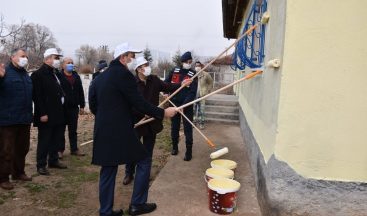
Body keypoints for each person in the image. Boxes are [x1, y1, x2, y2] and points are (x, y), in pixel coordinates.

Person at [89, 42, 177, 216]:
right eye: (131, 56)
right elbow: (139, 102)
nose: (133, 60)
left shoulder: (99, 78)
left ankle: (105, 211)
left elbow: (93, 105)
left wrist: (109, 116)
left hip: (103, 129)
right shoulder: (124, 76)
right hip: (121, 129)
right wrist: (163, 112)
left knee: (108, 168)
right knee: (144, 159)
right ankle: (137, 204)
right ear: (123, 58)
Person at [123, 57, 192, 186]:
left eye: (148, 64)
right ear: (138, 69)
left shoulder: (154, 80)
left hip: (152, 121)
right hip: (137, 122)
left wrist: (182, 84)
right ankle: (129, 173)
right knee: (132, 149)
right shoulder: (132, 83)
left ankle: (144, 173)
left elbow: (168, 86)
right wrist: (142, 113)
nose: (148, 67)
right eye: (144, 65)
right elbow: (129, 103)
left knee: (148, 150)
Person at [31, 48, 68, 176]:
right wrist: (42, 113)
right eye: (56, 58)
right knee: (44, 140)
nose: (58, 60)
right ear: (47, 59)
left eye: (58, 58)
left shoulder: (55, 73)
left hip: (57, 112)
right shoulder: (38, 75)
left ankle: (53, 160)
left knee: (56, 139)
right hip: (46, 114)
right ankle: (41, 165)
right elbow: (38, 96)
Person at [0, 49, 33, 190]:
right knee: (6, 151)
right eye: (22, 56)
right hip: (8, 120)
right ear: (13, 57)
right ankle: (3, 178)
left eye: (26, 56)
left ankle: (18, 172)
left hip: (24, 119)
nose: (25, 58)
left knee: (22, 148)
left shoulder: (25, 75)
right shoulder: (5, 72)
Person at [164, 51, 198, 161]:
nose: (190, 63)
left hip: (186, 106)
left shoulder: (193, 75)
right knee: (175, 127)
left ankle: (189, 151)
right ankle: (174, 147)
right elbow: (166, 84)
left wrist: (184, 105)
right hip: (173, 104)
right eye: (188, 61)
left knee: (188, 128)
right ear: (183, 62)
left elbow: (192, 92)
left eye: (190, 61)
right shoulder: (174, 71)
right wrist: (165, 92)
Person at [57, 57, 86, 159]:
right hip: (62, 108)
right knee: (61, 129)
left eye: (72, 63)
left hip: (74, 108)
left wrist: (82, 106)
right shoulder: (59, 76)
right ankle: (60, 150)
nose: (70, 64)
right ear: (63, 65)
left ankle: (74, 149)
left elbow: (80, 91)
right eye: (68, 63)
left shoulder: (76, 77)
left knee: (73, 130)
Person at [193, 61, 213, 129]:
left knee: (202, 110)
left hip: (202, 95)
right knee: (194, 110)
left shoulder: (206, 74)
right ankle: (194, 122)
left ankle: (201, 123)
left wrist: (208, 90)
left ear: (201, 66)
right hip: (194, 96)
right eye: (196, 66)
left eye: (198, 66)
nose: (197, 67)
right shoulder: (193, 74)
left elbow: (210, 82)